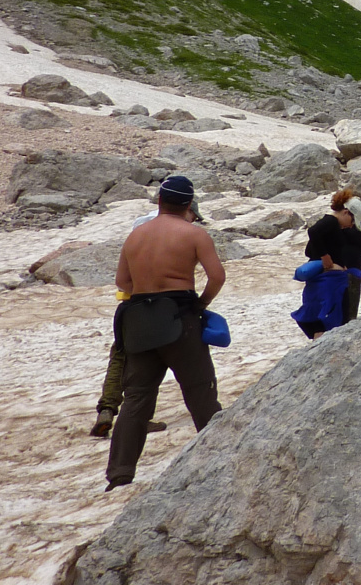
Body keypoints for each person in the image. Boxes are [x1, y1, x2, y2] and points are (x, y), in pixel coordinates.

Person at [105, 175, 225, 490]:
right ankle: (222, 458)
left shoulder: (136, 236)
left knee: (136, 398)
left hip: (139, 320)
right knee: (200, 392)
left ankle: (120, 473)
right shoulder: (194, 234)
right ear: (188, 204)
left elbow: (123, 282)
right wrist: (200, 303)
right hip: (179, 317)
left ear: (159, 200)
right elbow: (217, 276)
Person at [89, 193, 206, 438]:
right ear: (186, 208)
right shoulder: (175, 231)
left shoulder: (142, 226)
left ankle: (107, 409)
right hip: (160, 309)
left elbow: (124, 277)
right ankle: (143, 418)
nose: (193, 221)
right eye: (193, 215)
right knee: (154, 367)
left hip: (129, 307)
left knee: (120, 357)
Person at [298, 189, 361, 335]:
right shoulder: (331, 222)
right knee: (336, 316)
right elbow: (313, 232)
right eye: (352, 221)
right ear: (346, 212)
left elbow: (310, 249)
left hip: (330, 278)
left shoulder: (335, 225)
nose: (351, 225)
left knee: (321, 318)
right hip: (330, 279)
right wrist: (326, 258)